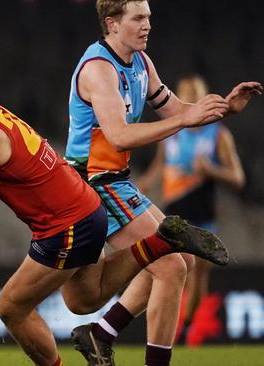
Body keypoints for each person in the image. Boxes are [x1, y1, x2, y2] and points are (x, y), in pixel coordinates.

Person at [0, 39, 229, 366]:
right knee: (82, 300)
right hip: (82, 208)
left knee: (11, 307)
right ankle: (159, 242)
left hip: (65, 224)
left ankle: (159, 244)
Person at [65, 1, 261, 365]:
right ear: (111, 24)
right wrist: (187, 121)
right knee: (172, 266)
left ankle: (102, 333)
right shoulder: (98, 69)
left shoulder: (141, 63)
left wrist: (224, 110)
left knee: (180, 255)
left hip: (114, 181)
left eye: (149, 17)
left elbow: (176, 109)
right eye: (138, 18)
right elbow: (120, 135)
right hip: (91, 185)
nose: (147, 25)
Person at [137, 74, 246, 345]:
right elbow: (161, 165)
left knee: (197, 274)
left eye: (197, 96)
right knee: (165, 267)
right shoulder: (173, 130)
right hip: (173, 211)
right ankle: (162, 328)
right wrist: (148, 181)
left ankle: (185, 328)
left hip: (203, 212)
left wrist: (212, 171)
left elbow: (238, 178)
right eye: (187, 97)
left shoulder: (218, 135)